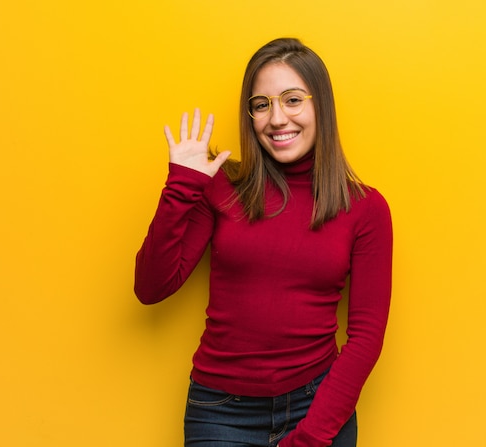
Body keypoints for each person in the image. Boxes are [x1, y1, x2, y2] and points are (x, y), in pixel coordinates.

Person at [134, 37, 393, 447]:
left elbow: (366, 337)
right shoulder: (221, 186)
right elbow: (151, 288)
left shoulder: (365, 208)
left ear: (319, 106)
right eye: (261, 104)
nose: (276, 118)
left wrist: (309, 438)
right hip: (221, 412)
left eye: (292, 100)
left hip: (318, 407)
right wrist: (181, 188)